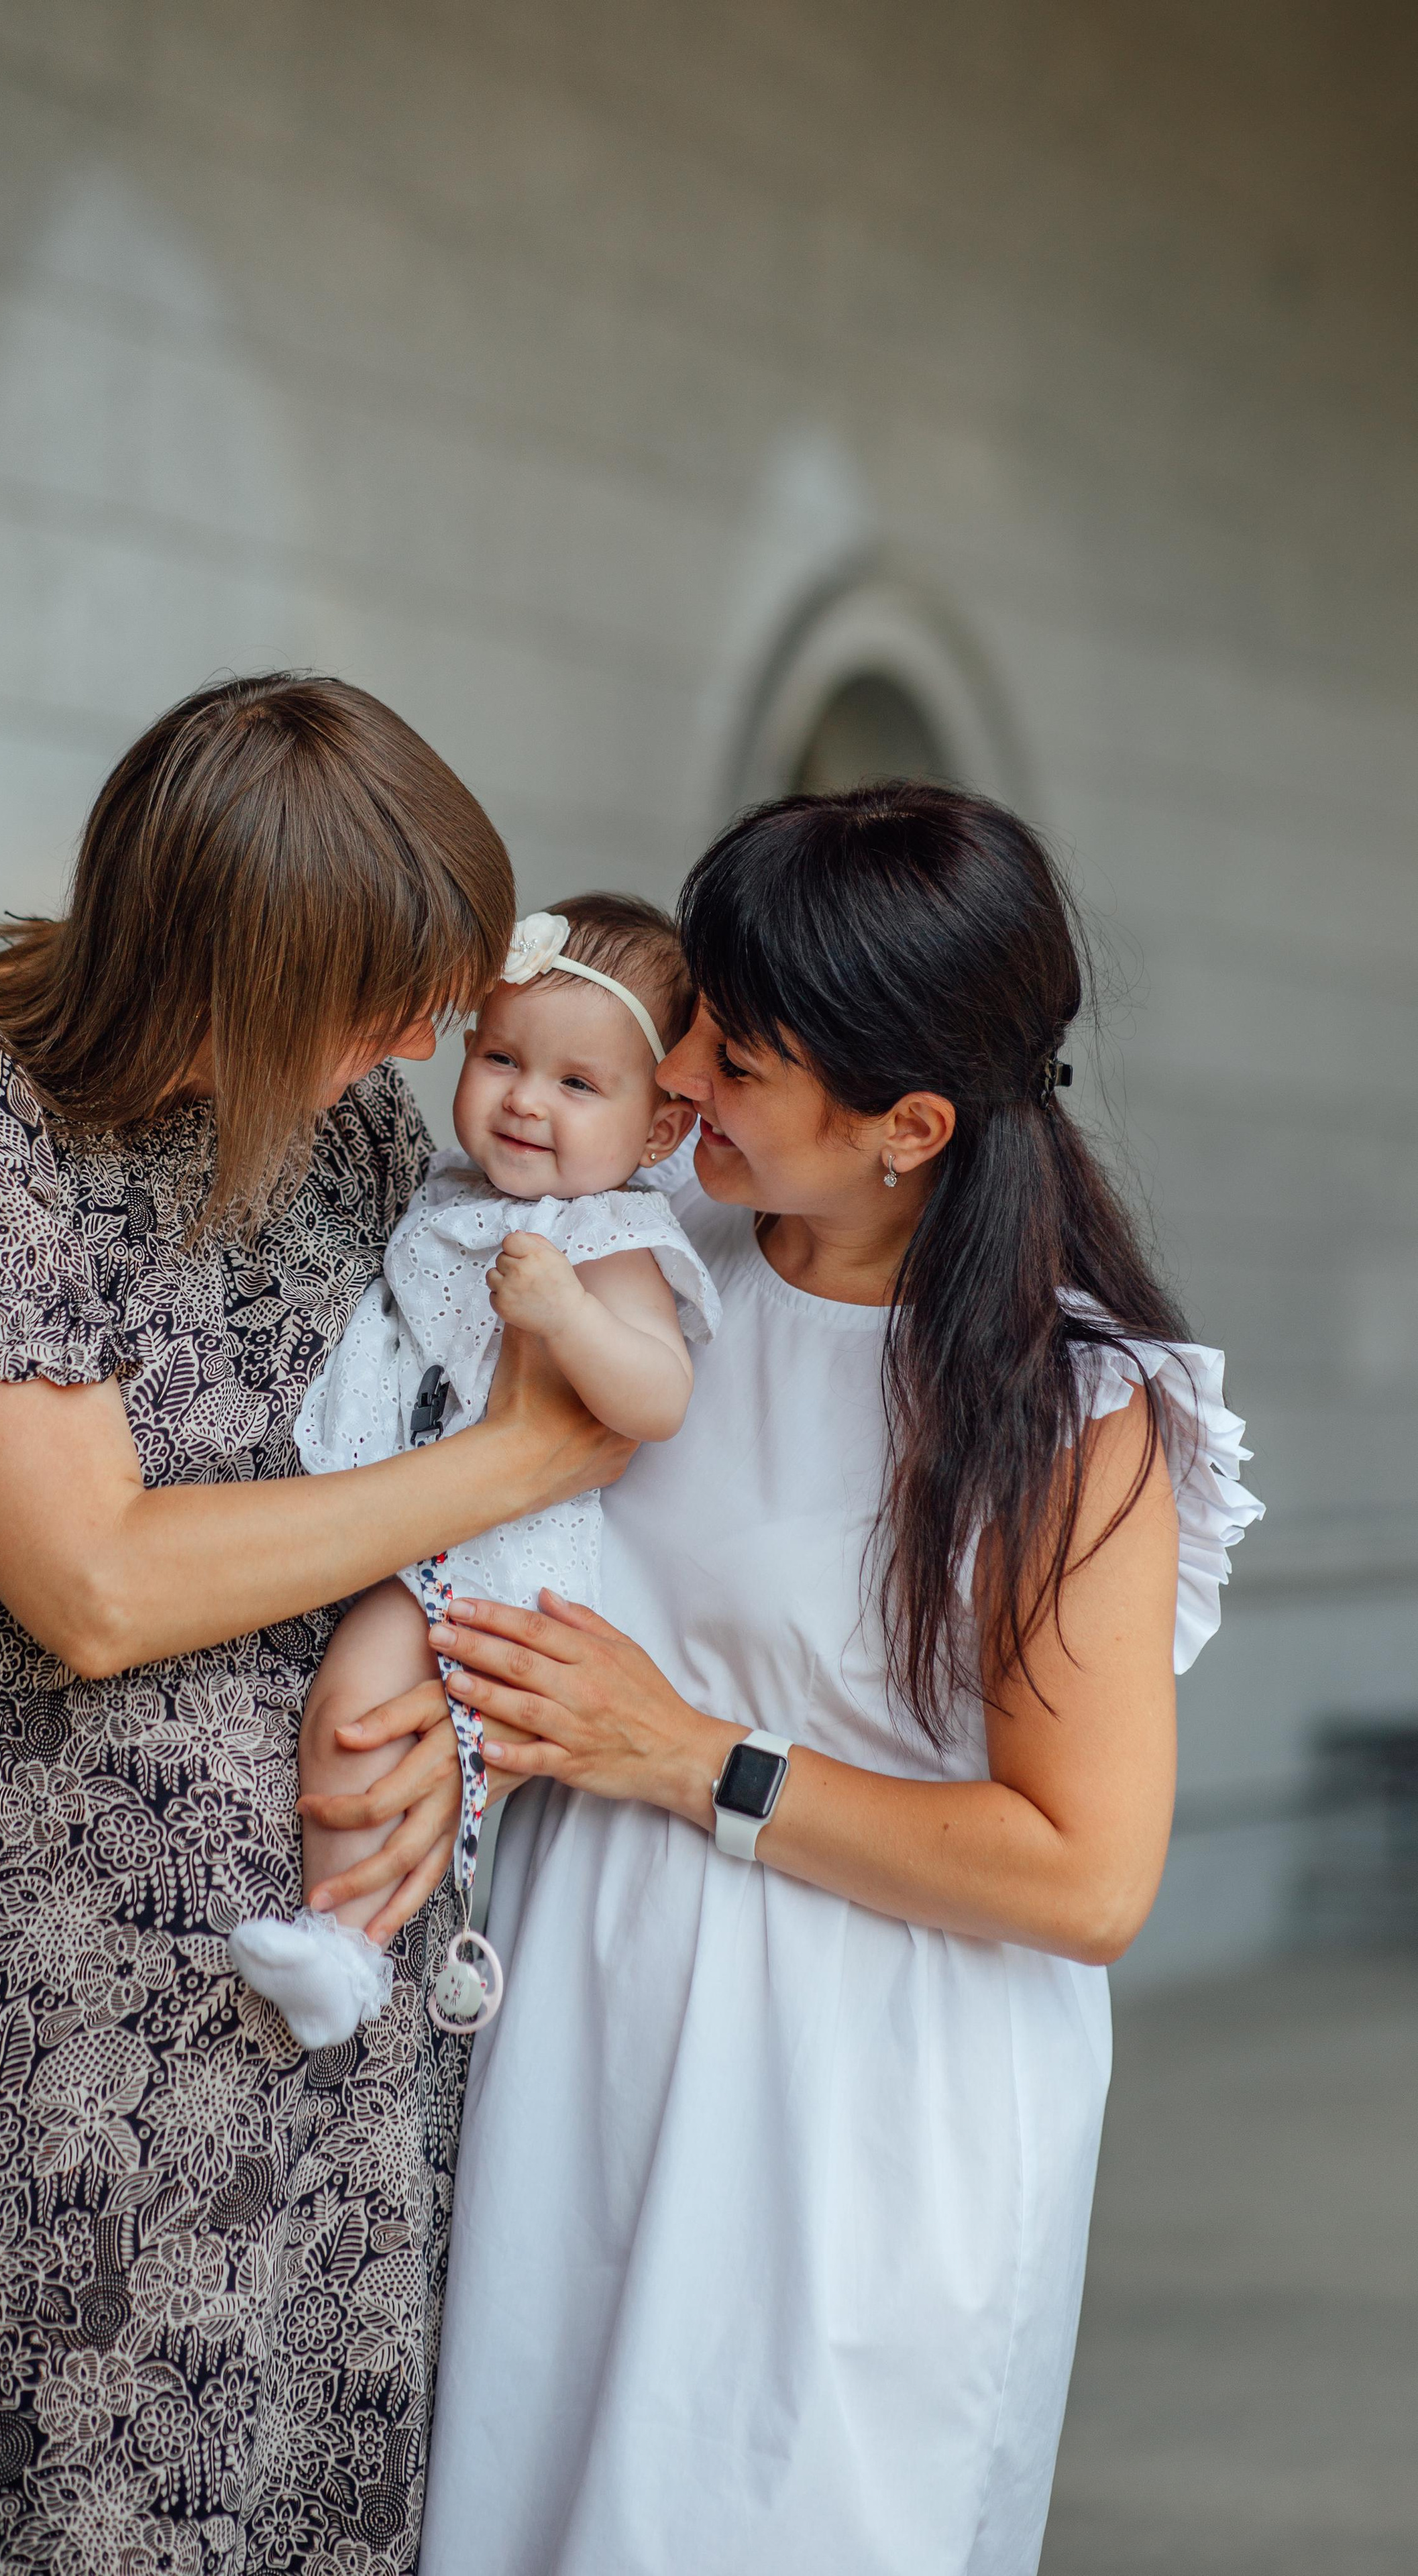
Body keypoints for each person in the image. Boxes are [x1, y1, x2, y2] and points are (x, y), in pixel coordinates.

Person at [0, 673, 629, 2576]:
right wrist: (526, 1461)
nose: (418, 1039)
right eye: (380, 992)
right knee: (57, 2498)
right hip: (38, 1982)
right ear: (240, 947)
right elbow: (98, 1584)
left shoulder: (362, 1143)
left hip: (341, 1988)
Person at [413, 783, 1263, 2576]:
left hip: (857, 2098)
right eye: (703, 1015)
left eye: (747, 1050)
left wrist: (693, 1757)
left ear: (910, 1126)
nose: (687, 1069)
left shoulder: (1072, 1408)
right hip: (578, 2013)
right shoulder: (632, 1260)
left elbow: (1085, 1873)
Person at [231, 896, 716, 2047]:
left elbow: (657, 1396)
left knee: (357, 1707)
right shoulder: (453, 1186)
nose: (526, 1100)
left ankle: (344, 1946)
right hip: (419, 1497)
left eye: (579, 1085)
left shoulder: (608, 1234)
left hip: (494, 1543)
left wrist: (566, 1313)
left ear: (658, 1133)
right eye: (502, 1058)